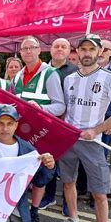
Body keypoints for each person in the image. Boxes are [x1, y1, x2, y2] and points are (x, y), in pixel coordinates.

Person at [52, 34, 111, 222]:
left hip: (92, 143)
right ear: (78, 51)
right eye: (83, 49)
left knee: (99, 193)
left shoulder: (109, 78)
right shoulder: (69, 79)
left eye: (91, 49)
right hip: (69, 140)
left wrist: (97, 129)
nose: (86, 53)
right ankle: (73, 219)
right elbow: (66, 110)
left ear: (99, 53)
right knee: (68, 182)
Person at [10, 36, 65, 222]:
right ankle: (18, 208)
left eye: (31, 48)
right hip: (20, 134)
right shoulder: (17, 76)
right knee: (21, 173)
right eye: (23, 49)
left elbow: (60, 106)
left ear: (38, 50)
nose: (27, 52)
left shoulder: (50, 74)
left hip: (41, 134)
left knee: (40, 175)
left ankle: (34, 210)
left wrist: (40, 107)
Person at [39, 38, 78, 211]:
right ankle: (49, 197)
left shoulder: (76, 71)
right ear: (50, 49)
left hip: (68, 124)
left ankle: (68, 205)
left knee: (68, 166)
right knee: (50, 162)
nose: (59, 49)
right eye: (56, 46)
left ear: (69, 51)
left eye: (64, 46)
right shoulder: (43, 70)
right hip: (47, 124)